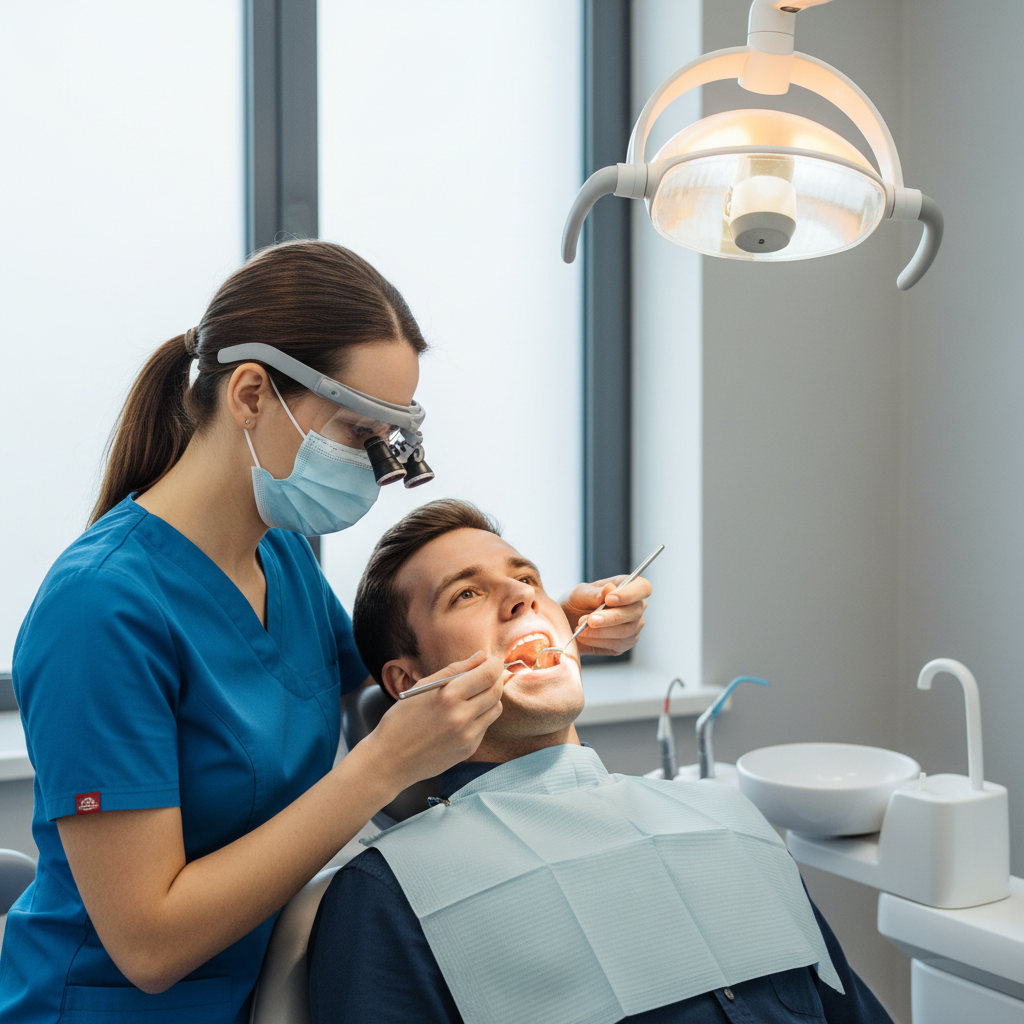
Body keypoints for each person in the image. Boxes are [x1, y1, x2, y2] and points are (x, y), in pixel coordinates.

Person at [0, 242, 651, 1024]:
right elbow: (149, 947)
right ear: (249, 394)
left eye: (391, 440)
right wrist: (378, 766)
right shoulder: (98, 610)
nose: (373, 469)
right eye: (356, 433)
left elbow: (399, 691)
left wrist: (547, 630)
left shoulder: (282, 558)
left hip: (263, 989)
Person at [307, 499, 894, 1024]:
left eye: (526, 578)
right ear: (409, 681)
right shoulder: (392, 895)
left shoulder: (728, 820)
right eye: (466, 593)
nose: (522, 597)